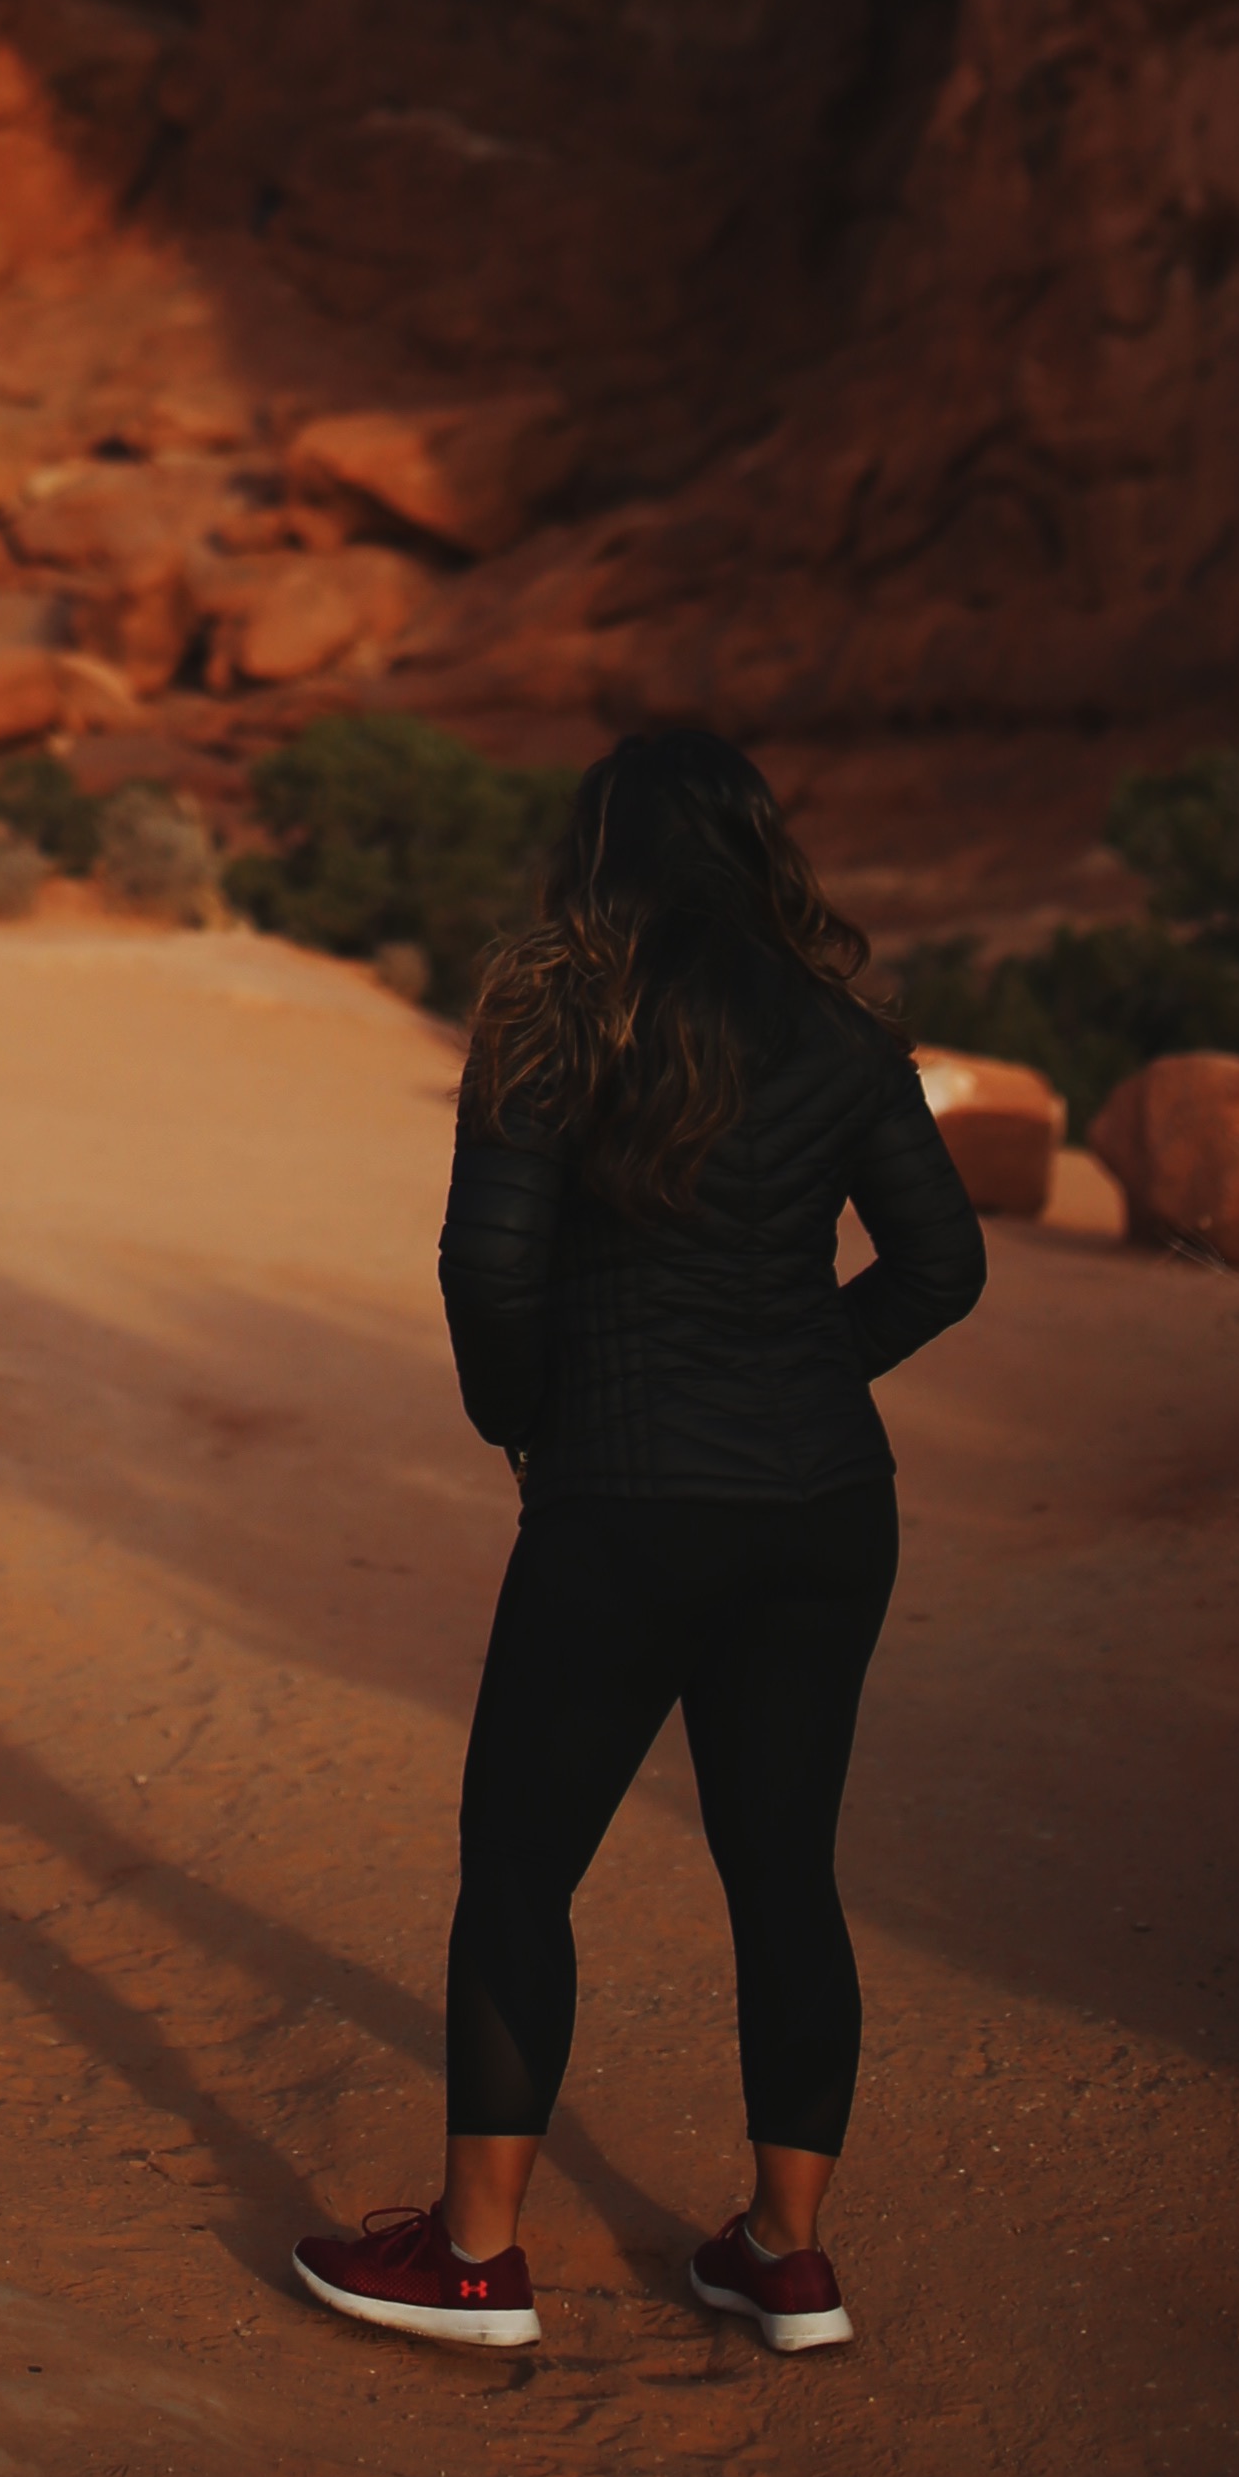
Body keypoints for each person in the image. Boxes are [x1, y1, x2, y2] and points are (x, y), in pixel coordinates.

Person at [292, 719, 986, 2363]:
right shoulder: (840, 1030)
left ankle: (474, 2264)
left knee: (524, 1870)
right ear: (758, 847)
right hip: (825, 1511)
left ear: (596, 850)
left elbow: (487, 1266)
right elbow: (942, 1265)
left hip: (618, 1503)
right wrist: (805, 1368)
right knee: (785, 1873)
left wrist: (524, 1417)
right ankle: (786, 2260)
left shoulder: (551, 1013)